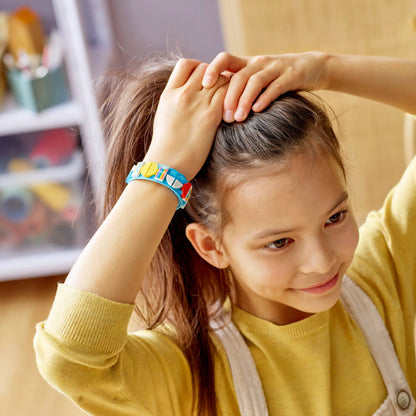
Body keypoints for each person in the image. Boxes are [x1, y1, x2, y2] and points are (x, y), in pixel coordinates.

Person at [34, 51, 416, 416]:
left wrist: (324, 68)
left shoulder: (382, 272)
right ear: (211, 246)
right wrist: (165, 165)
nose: (323, 260)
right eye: (279, 242)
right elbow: (71, 359)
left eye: (335, 218)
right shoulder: (194, 371)